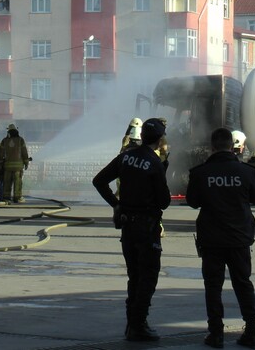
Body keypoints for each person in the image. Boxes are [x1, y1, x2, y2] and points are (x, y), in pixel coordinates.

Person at [92, 118, 171, 342]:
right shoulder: (154, 163)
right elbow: (164, 201)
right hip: (147, 227)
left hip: (127, 225)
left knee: (134, 275)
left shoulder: (125, 157)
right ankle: (138, 324)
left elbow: (99, 181)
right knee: (148, 276)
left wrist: (116, 204)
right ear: (160, 139)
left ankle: (132, 323)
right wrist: (163, 171)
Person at [186, 128, 255, 349]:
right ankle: (251, 330)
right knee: (243, 283)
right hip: (239, 238)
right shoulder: (247, 171)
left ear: (212, 146)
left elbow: (192, 201)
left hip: (211, 239)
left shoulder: (200, 173)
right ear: (232, 146)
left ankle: (216, 333)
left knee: (213, 286)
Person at [0, 124, 29, 203]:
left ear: (8, 131)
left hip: (7, 167)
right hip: (18, 168)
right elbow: (24, 152)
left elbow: (1, 154)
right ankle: (17, 198)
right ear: (16, 131)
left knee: (7, 183)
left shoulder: (4, 141)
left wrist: (0, 163)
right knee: (17, 183)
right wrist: (26, 162)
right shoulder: (20, 140)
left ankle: (6, 198)